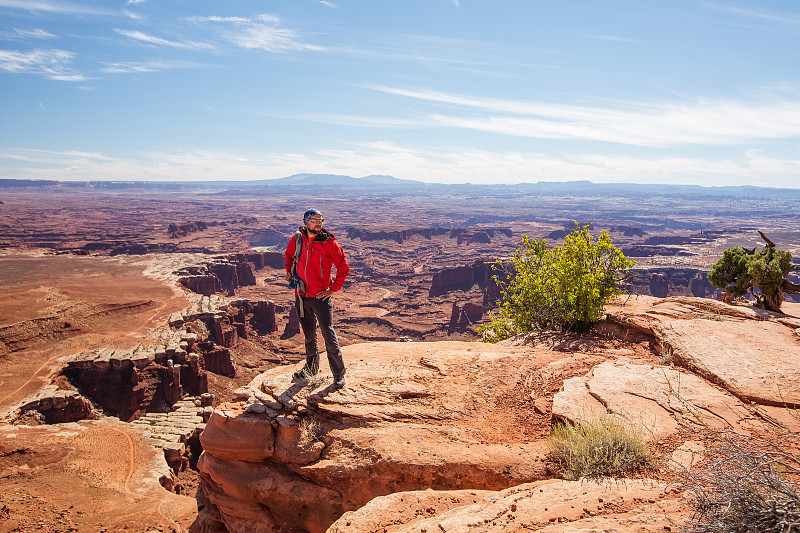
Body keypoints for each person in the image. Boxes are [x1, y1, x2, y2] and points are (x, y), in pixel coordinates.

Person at [284, 208, 350, 388]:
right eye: (315, 220)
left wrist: (332, 289)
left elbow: (344, 268)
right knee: (309, 335)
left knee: (328, 334)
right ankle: (311, 369)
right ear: (306, 221)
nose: (319, 223)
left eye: (321, 220)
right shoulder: (298, 238)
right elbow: (289, 255)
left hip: (320, 297)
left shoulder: (329, 243)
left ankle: (339, 374)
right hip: (301, 294)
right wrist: (289, 271)